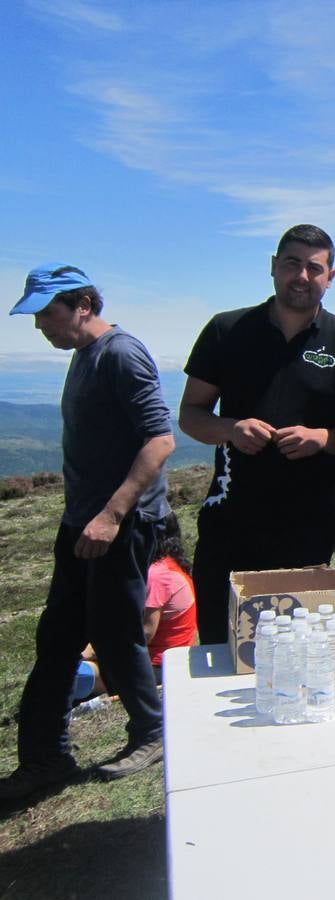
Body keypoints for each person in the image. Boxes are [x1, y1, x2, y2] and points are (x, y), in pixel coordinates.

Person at [2, 263, 175, 798]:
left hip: (119, 524)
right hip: (84, 522)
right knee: (57, 637)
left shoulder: (120, 353)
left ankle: (152, 732)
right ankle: (45, 757)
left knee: (116, 634)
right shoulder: (84, 355)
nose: (38, 326)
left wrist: (112, 514)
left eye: (46, 313)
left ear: (82, 305)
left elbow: (159, 440)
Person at [179, 225, 335, 645]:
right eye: (292, 264)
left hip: (306, 528)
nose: (301, 276)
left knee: (295, 649)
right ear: (273, 267)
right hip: (229, 525)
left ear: (330, 277)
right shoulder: (226, 331)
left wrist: (322, 438)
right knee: (221, 645)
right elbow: (190, 415)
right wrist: (230, 428)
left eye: (314, 268)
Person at [76, 510, 197, 697]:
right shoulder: (170, 564)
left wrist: (97, 651)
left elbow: (145, 633)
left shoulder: (157, 575)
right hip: (166, 661)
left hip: (156, 666)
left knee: (73, 675)